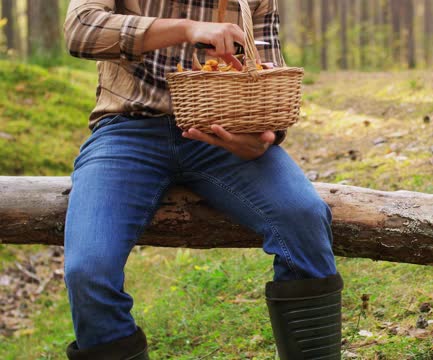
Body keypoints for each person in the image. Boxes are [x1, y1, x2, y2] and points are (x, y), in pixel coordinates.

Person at [62, 1, 343, 359]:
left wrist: (264, 136)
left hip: (225, 134)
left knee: (303, 216)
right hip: (127, 131)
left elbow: (270, 73)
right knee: (88, 270)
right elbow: (81, 30)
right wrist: (187, 28)